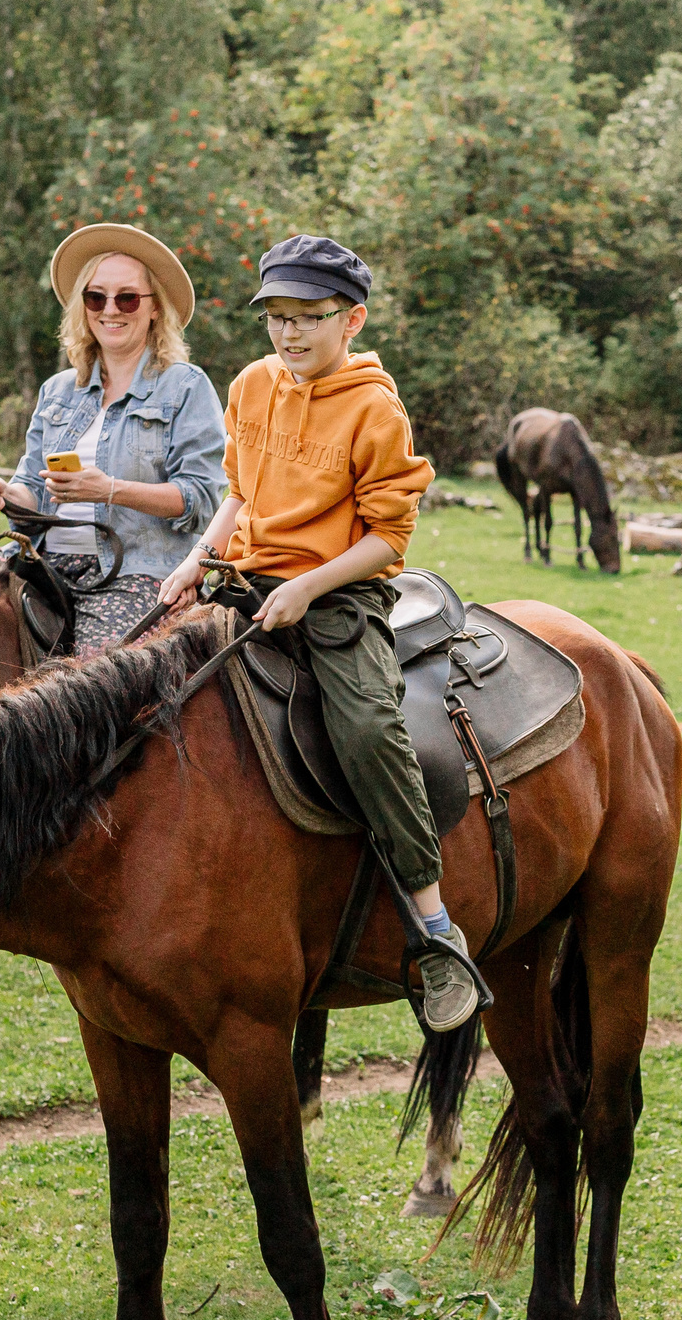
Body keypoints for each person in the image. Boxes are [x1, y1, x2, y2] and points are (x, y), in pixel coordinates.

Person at [156, 234, 488, 1033]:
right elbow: (237, 492)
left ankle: (437, 929)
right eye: (276, 317)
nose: (289, 334)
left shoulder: (376, 408)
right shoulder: (250, 385)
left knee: (371, 729)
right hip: (242, 583)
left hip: (340, 596)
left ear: (353, 319)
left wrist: (308, 585)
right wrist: (195, 560)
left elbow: (388, 540)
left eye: (309, 317)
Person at [0, 224, 226, 655]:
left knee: (90, 684)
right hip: (44, 566)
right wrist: (6, 494)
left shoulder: (185, 386)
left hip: (137, 573)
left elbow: (201, 498)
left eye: (127, 297)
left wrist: (111, 490)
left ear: (153, 309)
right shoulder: (57, 390)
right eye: (96, 297)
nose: (111, 309)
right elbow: (34, 490)